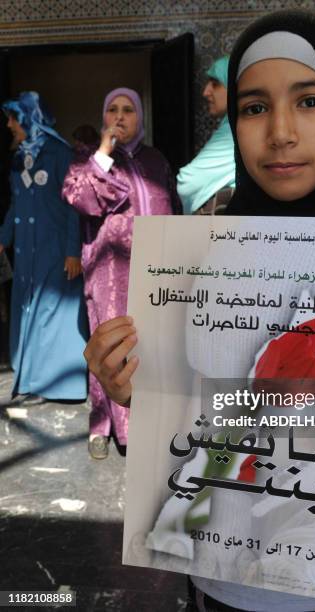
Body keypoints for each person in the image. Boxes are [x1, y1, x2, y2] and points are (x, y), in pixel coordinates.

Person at [82, 9, 315, 612]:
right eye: (253, 107)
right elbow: (190, 403)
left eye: (310, 101)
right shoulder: (197, 253)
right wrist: (132, 389)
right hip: (218, 569)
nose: (280, 131)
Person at [62, 87, 181, 460]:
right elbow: (79, 198)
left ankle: (146, 424)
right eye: (112, 109)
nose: (120, 116)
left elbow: (173, 210)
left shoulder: (156, 160)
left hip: (154, 272)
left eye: (128, 109)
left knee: (149, 349)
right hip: (110, 273)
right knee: (110, 349)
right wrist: (103, 154)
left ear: (140, 116)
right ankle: (102, 427)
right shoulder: (88, 162)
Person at [0, 91, 87, 401]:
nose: (9, 124)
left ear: (28, 117)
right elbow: (15, 204)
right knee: (29, 313)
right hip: (26, 250)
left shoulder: (60, 153)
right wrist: (3, 238)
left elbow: (72, 206)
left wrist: (73, 251)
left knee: (53, 313)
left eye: (13, 117)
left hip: (54, 248)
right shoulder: (18, 157)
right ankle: (31, 381)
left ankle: (58, 385)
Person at [177, 56, 235, 215]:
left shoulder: (236, 129)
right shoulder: (230, 125)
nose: (205, 92)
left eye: (215, 84)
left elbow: (188, 181)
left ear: (235, 87)